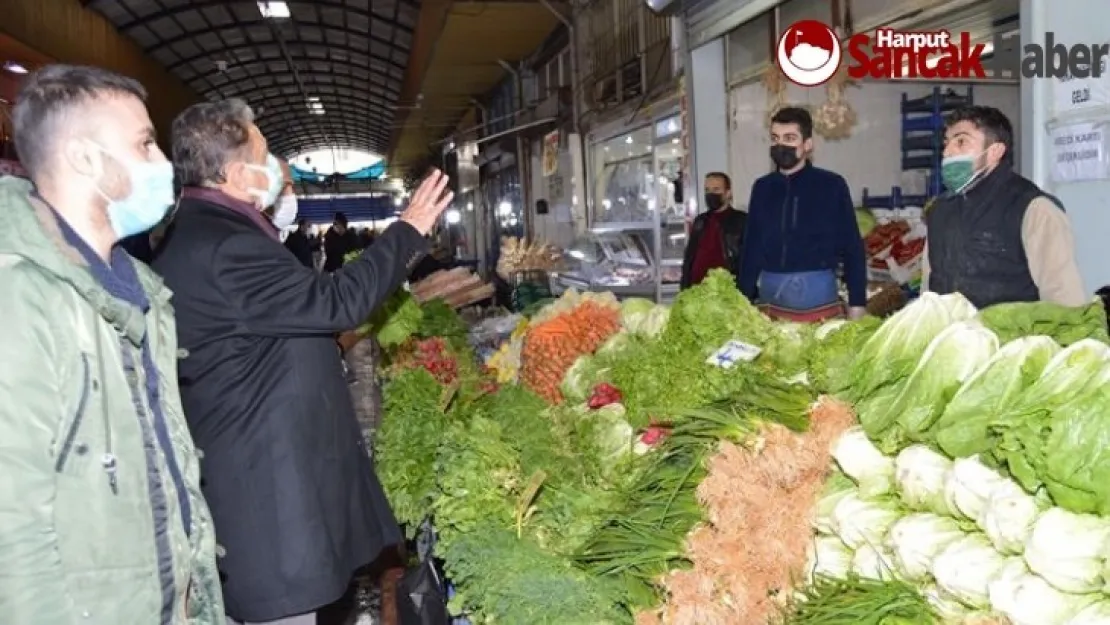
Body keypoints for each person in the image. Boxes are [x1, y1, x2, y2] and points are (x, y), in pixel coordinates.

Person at [151, 98, 454, 625]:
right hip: (266, 498)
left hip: (266, 471)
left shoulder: (214, 232)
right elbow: (337, 302)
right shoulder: (226, 246)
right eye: (265, 156)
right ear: (233, 172)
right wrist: (407, 231)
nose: (276, 170)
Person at [0, 64, 223, 624]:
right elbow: (13, 526)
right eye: (145, 144)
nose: (164, 165)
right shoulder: (20, 296)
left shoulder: (138, 291)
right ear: (84, 159)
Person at [923, 105, 1086, 308]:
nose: (947, 152)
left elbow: (1064, 297)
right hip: (949, 337)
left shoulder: (1034, 209)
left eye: (961, 141)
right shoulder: (940, 210)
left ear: (995, 151)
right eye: (946, 143)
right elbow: (928, 286)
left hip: (1012, 337)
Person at [737, 106, 867, 322]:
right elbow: (751, 248)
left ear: (807, 144)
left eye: (790, 138)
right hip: (770, 296)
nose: (781, 146)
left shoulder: (831, 185)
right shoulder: (762, 188)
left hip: (818, 296)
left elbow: (853, 247)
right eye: (775, 138)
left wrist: (858, 303)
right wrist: (742, 299)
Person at [680, 171, 747, 289]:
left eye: (716, 189)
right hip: (697, 292)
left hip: (727, 293)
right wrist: (684, 288)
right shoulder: (700, 221)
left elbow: (748, 260)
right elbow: (689, 259)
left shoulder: (742, 221)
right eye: (707, 190)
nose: (711, 194)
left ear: (728, 193)